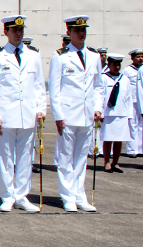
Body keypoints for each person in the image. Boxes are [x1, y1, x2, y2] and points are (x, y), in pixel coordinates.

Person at [0, 15, 46, 213]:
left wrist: (41, 109)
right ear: (6, 32)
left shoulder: (33, 55)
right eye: (14, 30)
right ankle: (7, 197)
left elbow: (39, 85)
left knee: (25, 158)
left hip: (27, 115)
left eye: (21, 30)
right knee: (6, 158)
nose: (18, 34)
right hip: (6, 116)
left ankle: (22, 196)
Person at [48, 15, 104, 212]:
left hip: (87, 114)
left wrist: (98, 107)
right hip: (68, 114)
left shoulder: (95, 56)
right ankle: (67, 197)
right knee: (65, 157)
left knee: (81, 157)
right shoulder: (61, 56)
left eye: (83, 30)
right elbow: (54, 89)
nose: (81, 33)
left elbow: (98, 86)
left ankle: (80, 195)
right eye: (77, 30)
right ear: (69, 33)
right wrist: (58, 115)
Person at [100, 53, 132, 173]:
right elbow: (100, 96)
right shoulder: (103, 78)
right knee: (108, 139)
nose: (117, 67)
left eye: (118, 65)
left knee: (119, 139)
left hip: (121, 113)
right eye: (114, 65)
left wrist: (129, 115)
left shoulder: (125, 79)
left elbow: (128, 98)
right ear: (109, 65)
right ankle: (107, 161)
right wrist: (100, 112)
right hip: (108, 113)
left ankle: (116, 162)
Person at [124, 48, 143, 157]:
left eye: (142, 57)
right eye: (138, 57)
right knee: (132, 125)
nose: (140, 59)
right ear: (132, 58)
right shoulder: (128, 70)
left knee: (141, 125)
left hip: (141, 101)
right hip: (132, 101)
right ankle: (132, 149)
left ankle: (140, 148)